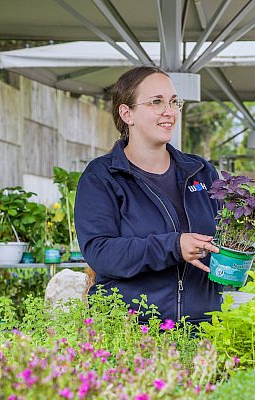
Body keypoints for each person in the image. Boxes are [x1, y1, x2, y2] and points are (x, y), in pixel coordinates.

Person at [74, 66, 222, 325]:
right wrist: (174, 246)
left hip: (203, 329)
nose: (169, 111)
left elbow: (222, 237)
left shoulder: (202, 172)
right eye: (156, 102)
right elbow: (100, 252)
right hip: (131, 331)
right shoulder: (103, 176)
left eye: (174, 102)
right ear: (126, 113)